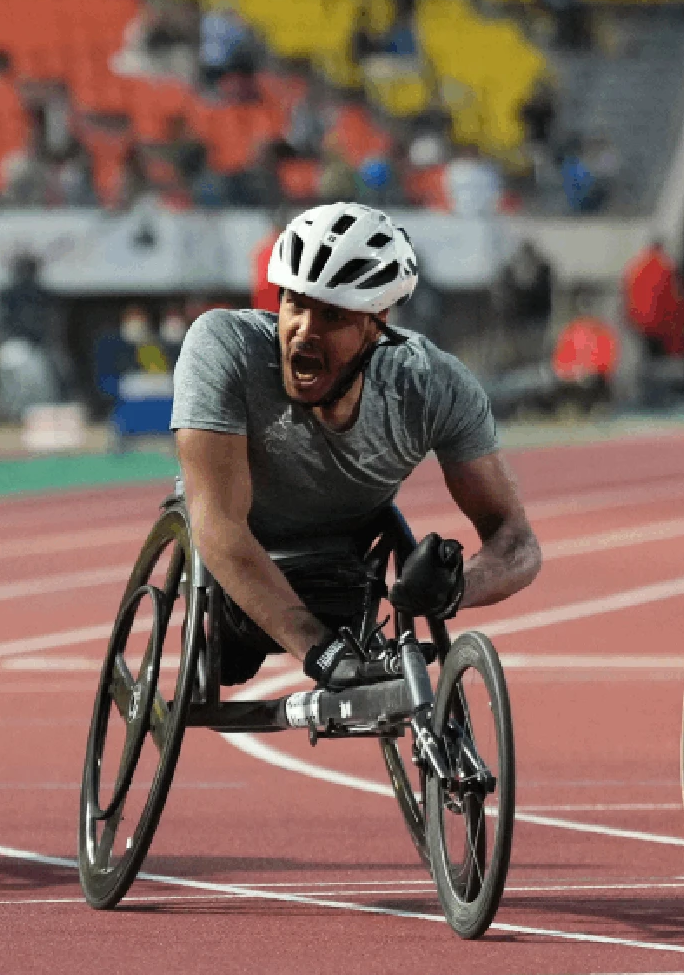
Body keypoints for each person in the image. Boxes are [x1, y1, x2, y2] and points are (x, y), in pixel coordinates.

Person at [171, 201, 543, 689]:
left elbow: (516, 540)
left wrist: (457, 588)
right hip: (240, 561)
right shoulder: (224, 348)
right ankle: (243, 637)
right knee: (230, 654)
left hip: (345, 569)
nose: (304, 328)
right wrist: (316, 649)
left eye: (331, 315)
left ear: (376, 322)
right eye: (295, 304)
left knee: (349, 601)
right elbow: (217, 524)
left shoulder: (431, 386)